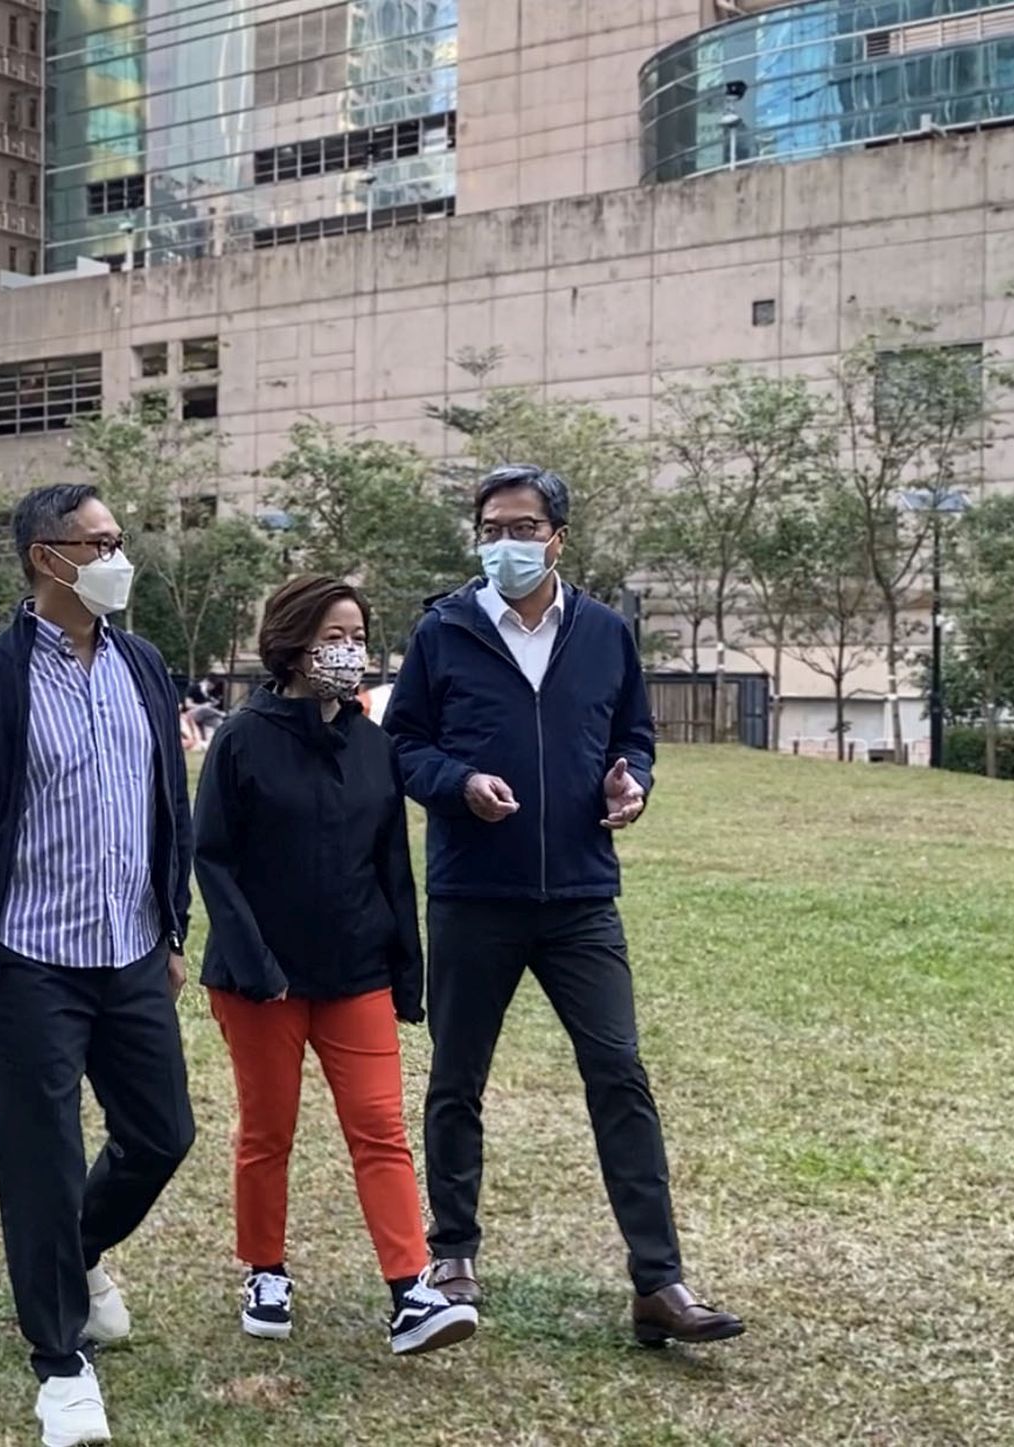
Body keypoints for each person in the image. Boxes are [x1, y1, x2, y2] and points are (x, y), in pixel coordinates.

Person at [383, 464, 746, 1349]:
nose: (507, 540)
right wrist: (457, 781)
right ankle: (454, 1255)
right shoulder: (444, 630)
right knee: (457, 1078)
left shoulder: (606, 633)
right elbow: (402, 745)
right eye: (492, 526)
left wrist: (635, 780)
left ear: (558, 536)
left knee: (619, 1072)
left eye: (525, 525)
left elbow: (632, 735)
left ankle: (659, 1281)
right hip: (475, 892)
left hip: (583, 896)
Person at [0, 483, 196, 1447]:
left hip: (128, 951)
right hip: (27, 958)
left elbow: (169, 804)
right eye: (103, 541)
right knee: (39, 1160)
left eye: (120, 536)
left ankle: (64, 1258)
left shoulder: (146, 667)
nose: (120, 555)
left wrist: (171, 927)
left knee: (162, 1133)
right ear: (49, 557)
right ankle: (60, 1362)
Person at [193, 576, 479, 1358]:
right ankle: (265, 1268)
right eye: (335, 634)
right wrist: (254, 963)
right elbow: (211, 859)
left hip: (357, 972)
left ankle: (411, 1290)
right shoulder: (242, 739)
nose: (350, 650)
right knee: (267, 1129)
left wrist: (404, 969)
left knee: (381, 1129)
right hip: (262, 982)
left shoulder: (371, 743)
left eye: (358, 635)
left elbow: (393, 863)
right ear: (294, 640)